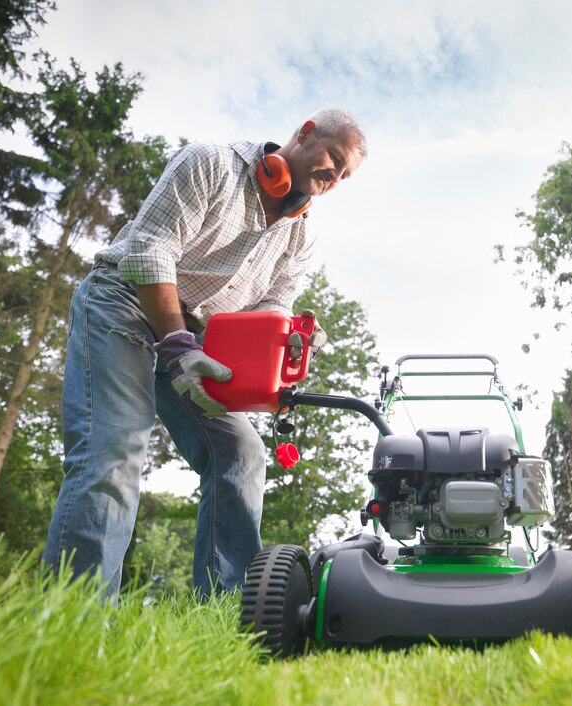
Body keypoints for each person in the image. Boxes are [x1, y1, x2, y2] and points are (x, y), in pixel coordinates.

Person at [41, 108, 367, 599]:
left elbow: (272, 309)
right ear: (303, 134)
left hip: (196, 345)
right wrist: (176, 345)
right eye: (332, 159)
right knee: (114, 452)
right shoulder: (211, 165)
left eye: (344, 175)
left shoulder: (300, 236)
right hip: (123, 303)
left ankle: (225, 614)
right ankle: (73, 621)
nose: (333, 177)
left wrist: (283, 353)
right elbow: (150, 251)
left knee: (241, 451)